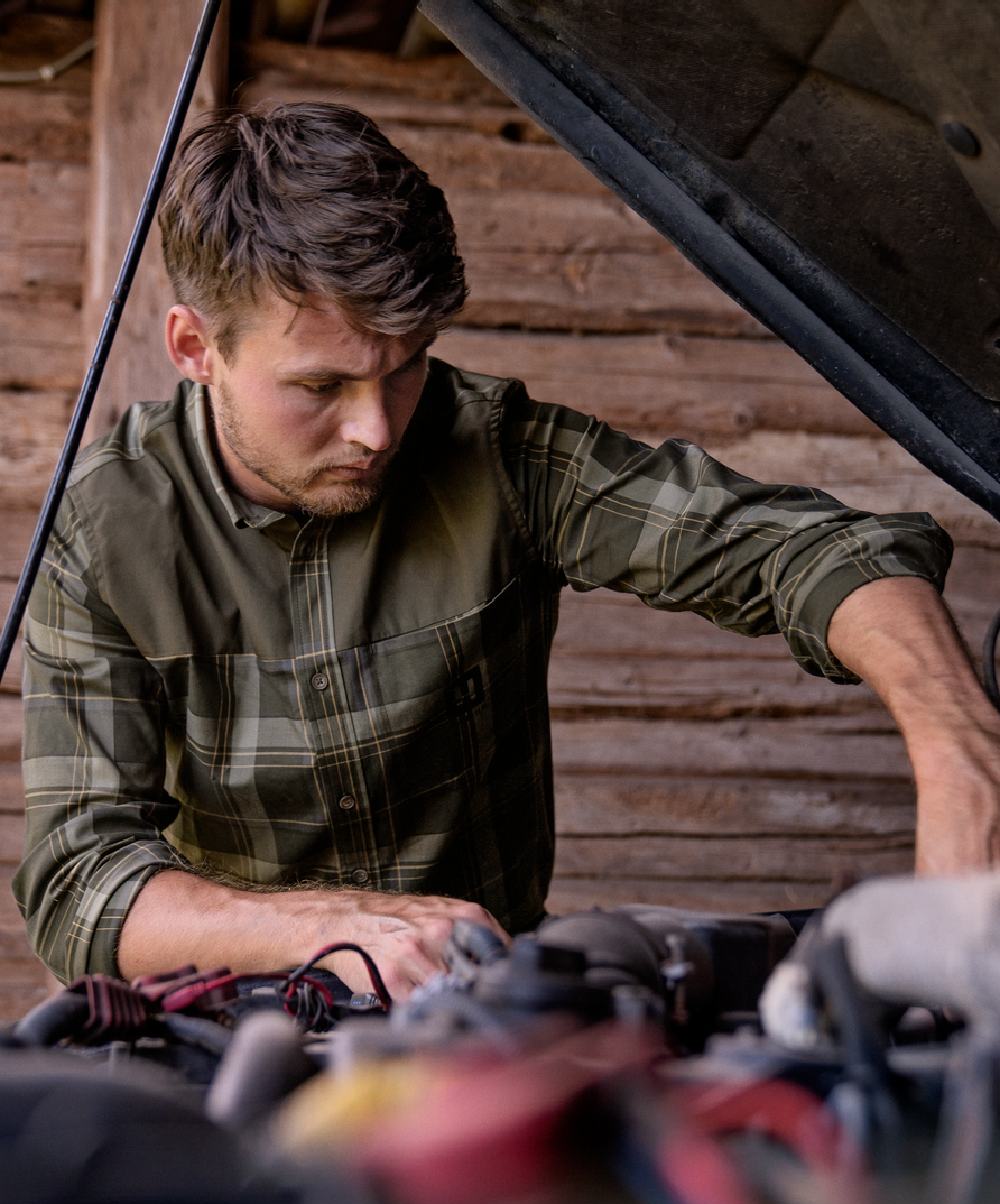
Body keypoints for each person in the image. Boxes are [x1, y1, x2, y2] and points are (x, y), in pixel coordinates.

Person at [14, 103, 1000, 1000]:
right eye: (320, 386)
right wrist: (334, 925)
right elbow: (80, 884)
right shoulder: (104, 529)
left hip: (490, 1009)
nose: (376, 430)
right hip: (238, 1025)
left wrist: (959, 749)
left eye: (405, 367)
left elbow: (814, 549)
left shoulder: (497, 450)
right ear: (195, 347)